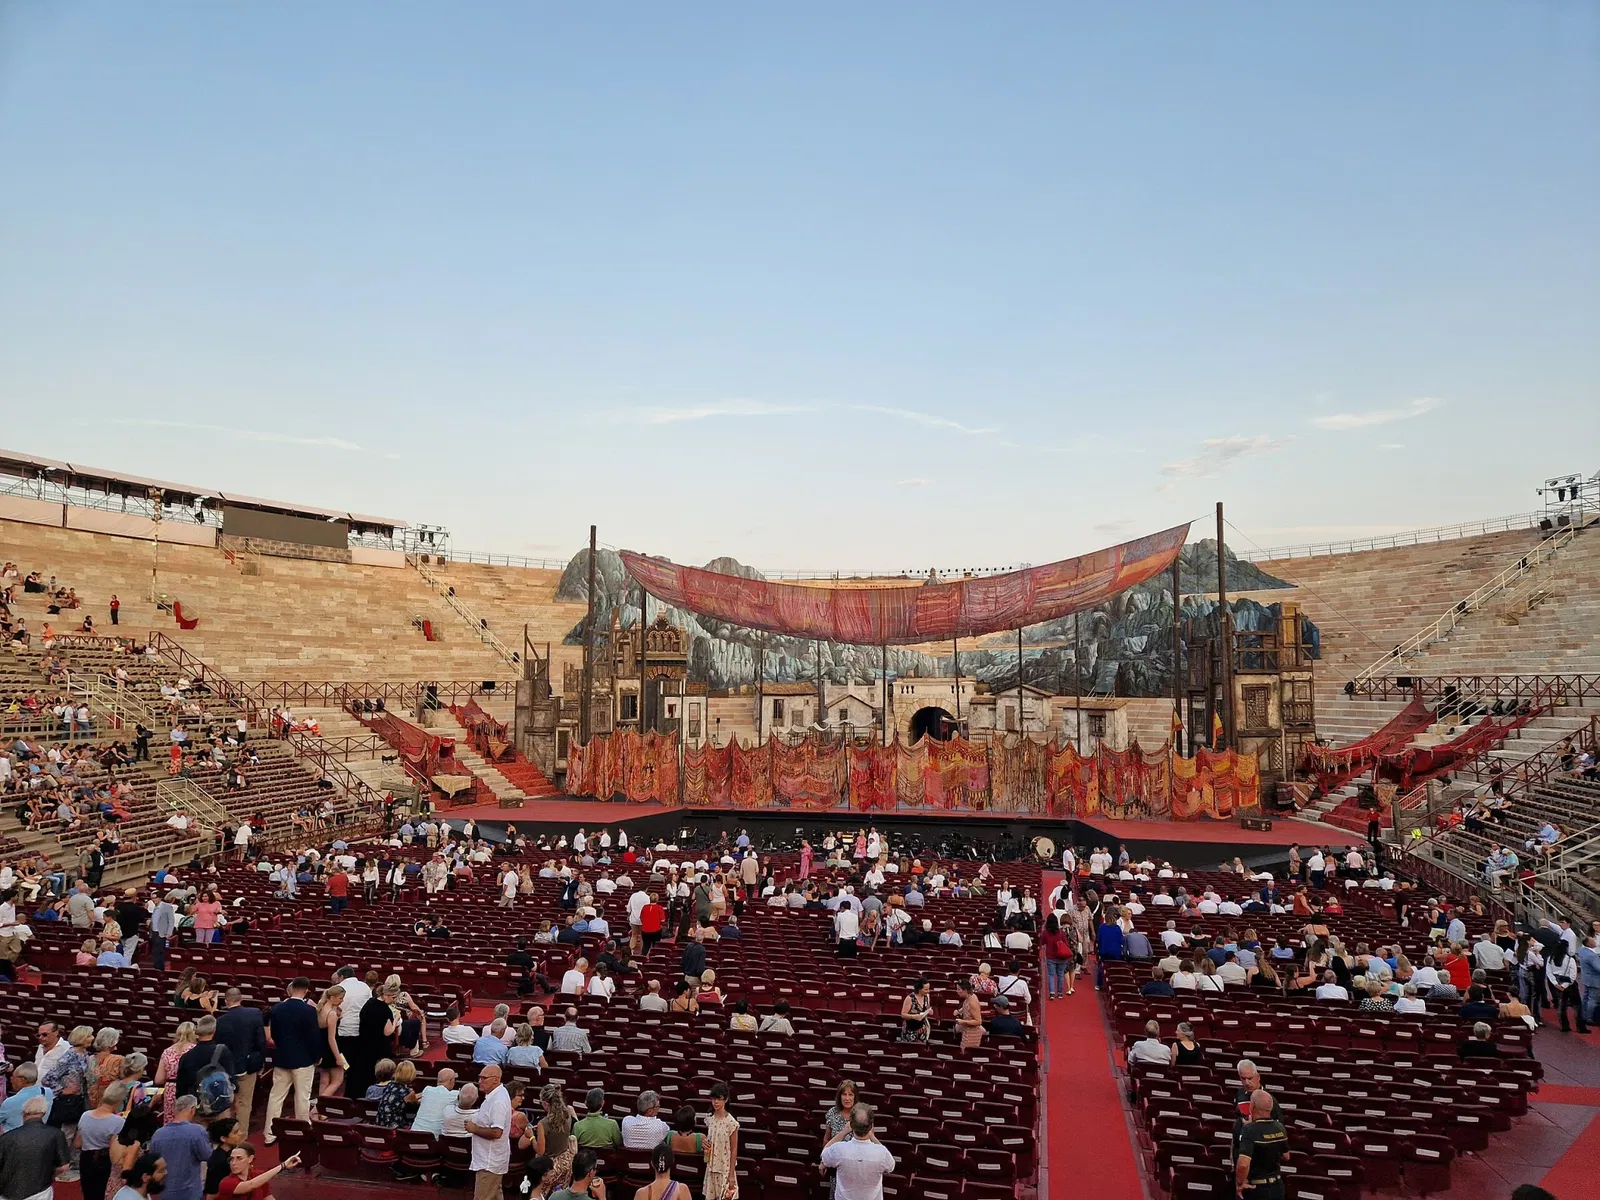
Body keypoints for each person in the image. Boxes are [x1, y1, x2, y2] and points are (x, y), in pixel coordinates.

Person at [261, 977, 320, 1141]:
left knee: (276, 1097)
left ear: (291, 988)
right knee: (302, 1097)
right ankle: (303, 1132)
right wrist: (317, 1056)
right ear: (306, 990)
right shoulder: (308, 1010)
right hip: (303, 1060)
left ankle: (269, 1134)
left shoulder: (277, 1009)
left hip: (282, 1058)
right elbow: (313, 1037)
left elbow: (274, 1035)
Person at [214, 988, 266, 1135]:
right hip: (247, 1066)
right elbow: (261, 1041)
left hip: (226, 1069)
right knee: (244, 1103)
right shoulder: (254, 1014)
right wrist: (261, 1061)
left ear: (226, 1001)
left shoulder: (220, 1021)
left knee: (227, 1103)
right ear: (241, 999)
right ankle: (241, 1137)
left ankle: (228, 1135)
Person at [0, 1095, 72, 1199]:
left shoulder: (7, 1137)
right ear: (43, 1113)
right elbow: (63, 1167)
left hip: (8, 1192)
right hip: (40, 1191)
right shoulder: (55, 1134)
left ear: (24, 1113)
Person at [820, 1104, 895, 1200]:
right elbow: (891, 1166)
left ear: (851, 1125)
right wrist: (872, 1136)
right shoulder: (882, 1153)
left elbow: (825, 1153)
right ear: (871, 1126)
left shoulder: (839, 1150)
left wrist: (843, 1132)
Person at [76, 1081, 135, 1200]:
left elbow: (78, 1143)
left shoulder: (85, 1115)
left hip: (86, 1159)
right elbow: (117, 1151)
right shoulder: (118, 1122)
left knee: (89, 1193)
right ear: (120, 1100)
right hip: (104, 1161)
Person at [148, 1095, 214, 1200]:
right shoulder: (197, 1131)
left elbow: (152, 1160)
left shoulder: (158, 1134)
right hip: (190, 1193)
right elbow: (207, 1155)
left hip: (166, 1192)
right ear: (192, 1110)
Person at [466, 1063, 512, 1200]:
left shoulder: (498, 1102)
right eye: (479, 1078)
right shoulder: (494, 1096)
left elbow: (497, 1132)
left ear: (495, 1080)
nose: (479, 1081)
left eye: (483, 1078)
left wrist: (474, 1129)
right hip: (488, 1159)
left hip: (489, 1162)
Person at [1234, 1089, 1288, 1200]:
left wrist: (1240, 1184)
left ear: (1252, 1105)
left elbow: (1243, 1165)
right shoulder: (1280, 1127)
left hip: (1256, 1189)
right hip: (1277, 1187)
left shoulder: (1249, 1130)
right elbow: (1286, 1156)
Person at [533, 1083, 577, 1190]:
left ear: (546, 1104)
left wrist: (531, 1138)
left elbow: (540, 1151)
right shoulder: (567, 1115)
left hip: (550, 1168)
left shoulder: (543, 1123)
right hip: (566, 1163)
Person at [412, 1068, 459, 1136]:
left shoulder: (427, 1089)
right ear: (451, 1081)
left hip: (413, 1133)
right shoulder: (455, 1095)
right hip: (433, 1139)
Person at [1041, 913, 1075, 999]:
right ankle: (1059, 993)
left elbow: (1042, 943)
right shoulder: (1061, 933)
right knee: (1060, 974)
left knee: (1051, 975)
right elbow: (1066, 944)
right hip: (1061, 956)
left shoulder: (1045, 933)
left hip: (1050, 956)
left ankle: (1052, 993)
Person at [953, 977, 983, 1050]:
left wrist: (962, 1021)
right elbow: (966, 1007)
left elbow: (978, 1021)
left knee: (966, 1054)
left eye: (959, 989)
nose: (957, 991)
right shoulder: (969, 997)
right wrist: (959, 1011)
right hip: (966, 1031)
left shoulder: (973, 1002)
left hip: (972, 1035)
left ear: (965, 990)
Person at [898, 980, 931, 1044]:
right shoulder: (910, 998)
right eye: (926, 989)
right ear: (919, 989)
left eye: (928, 989)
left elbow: (927, 1008)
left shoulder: (926, 996)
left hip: (922, 1029)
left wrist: (929, 1011)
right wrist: (913, 1016)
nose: (928, 991)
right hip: (910, 1030)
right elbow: (903, 1014)